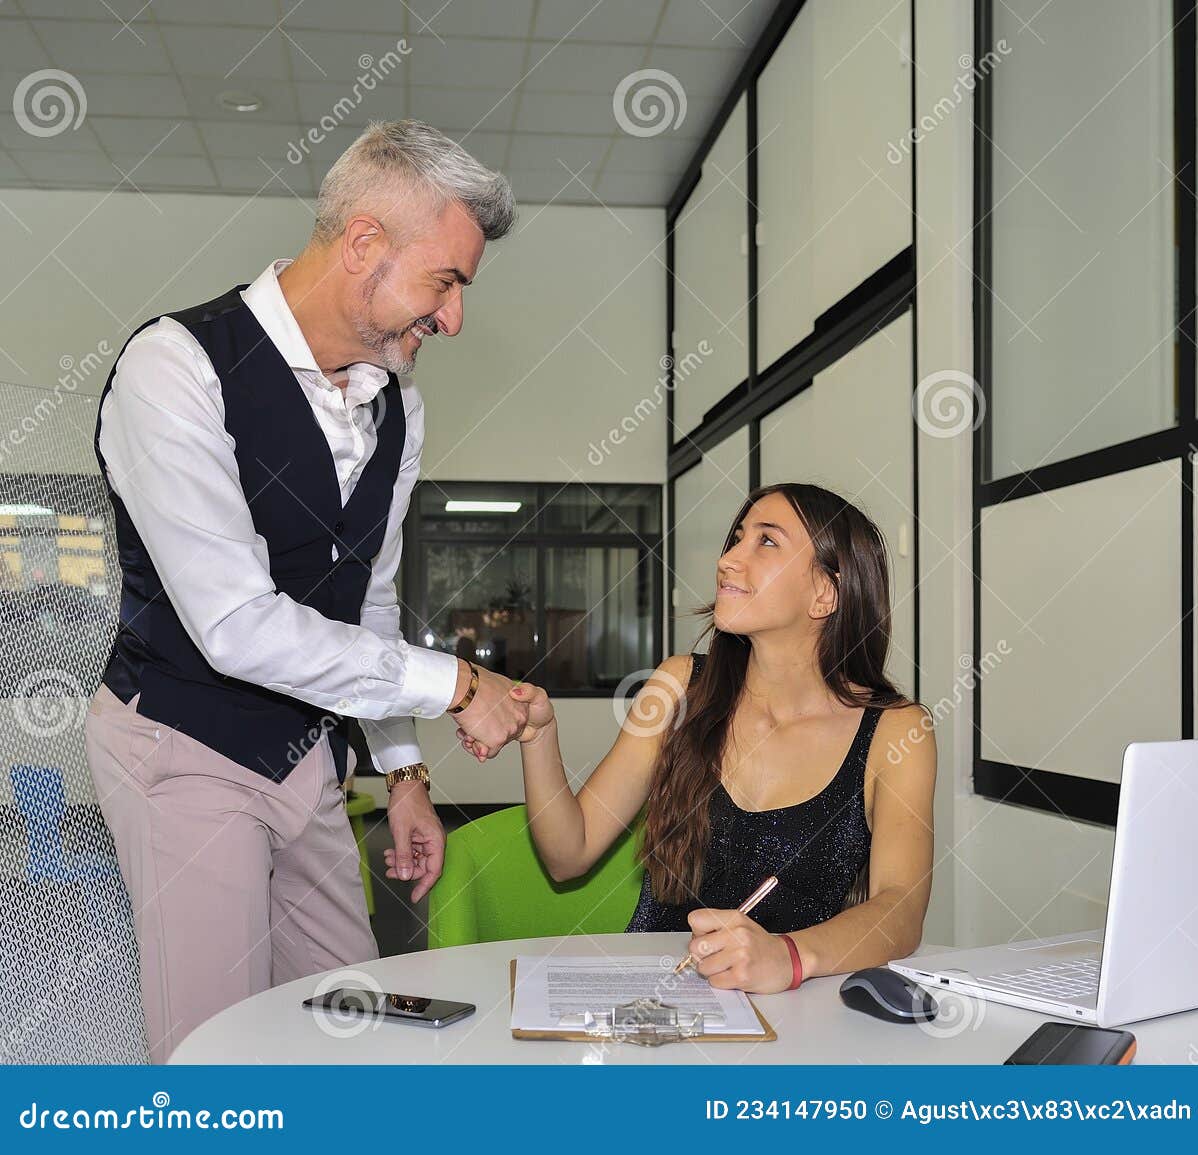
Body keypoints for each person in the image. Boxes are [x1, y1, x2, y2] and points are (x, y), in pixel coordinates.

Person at [85, 120, 536, 1061]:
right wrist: (458, 684)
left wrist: (403, 769)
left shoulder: (399, 406)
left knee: (350, 1023)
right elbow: (238, 625)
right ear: (364, 243)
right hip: (183, 736)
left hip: (308, 755)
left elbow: (362, 602)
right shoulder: (176, 366)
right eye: (446, 281)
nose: (454, 317)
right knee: (215, 1049)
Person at [441, 483, 937, 993]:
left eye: (765, 542)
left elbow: (900, 907)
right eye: (736, 538)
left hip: (806, 1009)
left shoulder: (898, 731)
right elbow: (570, 854)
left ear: (825, 593)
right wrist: (538, 739)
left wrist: (786, 956)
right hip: (660, 1001)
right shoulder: (679, 688)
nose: (728, 560)